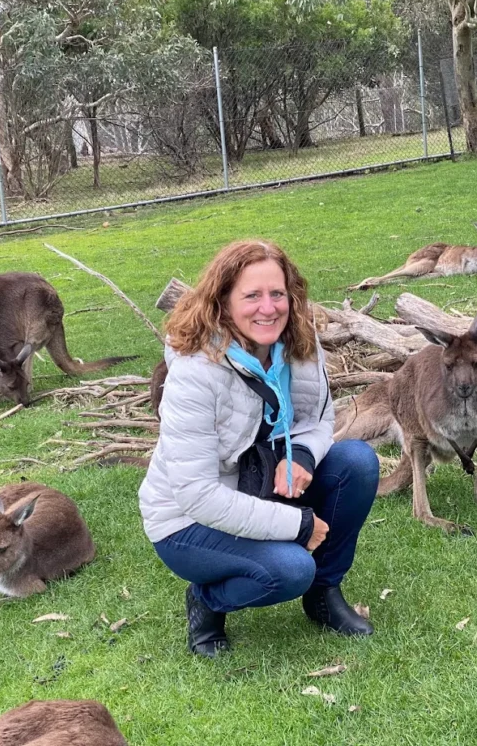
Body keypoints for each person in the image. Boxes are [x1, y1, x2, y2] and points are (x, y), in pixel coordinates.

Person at [139, 241, 379, 657]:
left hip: (258, 480)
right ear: (223, 302)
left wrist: (300, 456)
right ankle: (206, 601)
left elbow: (318, 421)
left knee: (356, 462)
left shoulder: (298, 342)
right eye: (251, 296)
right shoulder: (195, 373)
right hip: (186, 519)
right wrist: (298, 525)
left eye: (277, 294)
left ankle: (324, 593)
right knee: (289, 569)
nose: (268, 308)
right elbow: (196, 495)